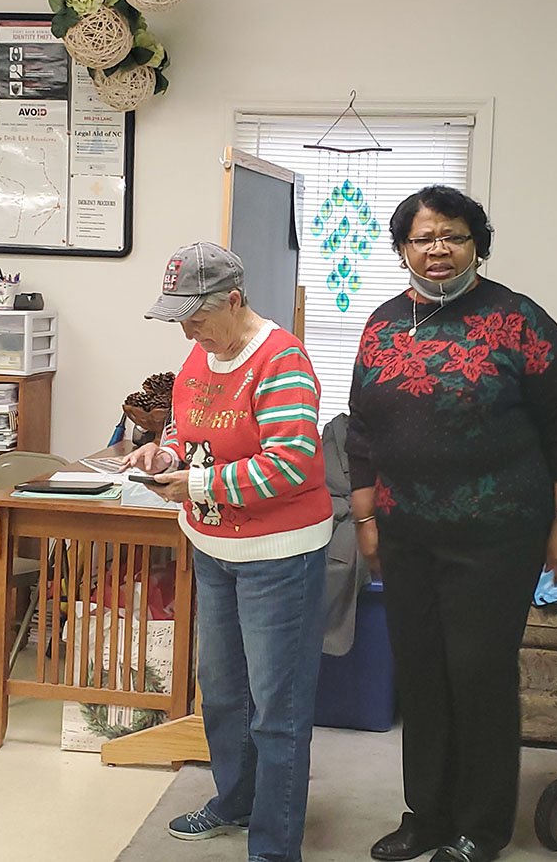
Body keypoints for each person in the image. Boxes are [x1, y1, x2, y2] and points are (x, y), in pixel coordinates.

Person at [346, 186, 557, 862]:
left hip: (497, 535)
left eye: (453, 236)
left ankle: (481, 828)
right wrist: (366, 519)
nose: (438, 250)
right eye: (423, 238)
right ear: (402, 248)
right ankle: (426, 814)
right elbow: (361, 431)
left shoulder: (518, 320)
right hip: (406, 533)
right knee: (421, 673)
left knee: (478, 673)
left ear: (476, 243)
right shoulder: (383, 324)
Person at [122, 241, 333, 862]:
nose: (187, 330)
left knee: (276, 707)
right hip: (213, 548)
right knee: (221, 693)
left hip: (279, 556)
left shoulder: (281, 359)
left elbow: (290, 463)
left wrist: (195, 484)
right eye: (179, 318)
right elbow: (187, 430)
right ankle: (236, 801)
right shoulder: (200, 353)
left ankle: (274, 846)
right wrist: (163, 454)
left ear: (234, 300)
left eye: (196, 316)